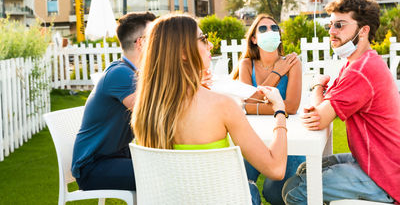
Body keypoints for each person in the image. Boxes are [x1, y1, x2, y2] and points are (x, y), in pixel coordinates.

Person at [132, 14, 288, 205]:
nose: (211, 45)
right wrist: (280, 111)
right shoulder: (222, 106)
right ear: (183, 51)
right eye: (203, 39)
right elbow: (276, 169)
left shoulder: (144, 110)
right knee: (251, 187)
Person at [282, 0, 400, 204]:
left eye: (340, 25)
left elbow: (316, 119)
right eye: (330, 25)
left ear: (363, 31)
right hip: (376, 161)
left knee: (295, 191)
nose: (332, 31)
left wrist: (317, 84)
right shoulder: (358, 63)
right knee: (305, 169)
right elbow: (323, 108)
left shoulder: (360, 71)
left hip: (384, 176)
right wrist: (320, 92)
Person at [71, 11, 156, 191]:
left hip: (116, 158)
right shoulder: (120, 73)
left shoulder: (132, 72)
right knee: (159, 174)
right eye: (156, 36)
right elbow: (151, 112)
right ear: (141, 43)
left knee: (165, 167)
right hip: (94, 167)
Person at [232, 14, 303, 204]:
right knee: (240, 183)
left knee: (274, 193)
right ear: (254, 38)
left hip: (287, 137)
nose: (270, 32)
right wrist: (277, 73)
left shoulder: (293, 63)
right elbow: (248, 97)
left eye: (274, 28)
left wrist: (251, 107)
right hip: (253, 137)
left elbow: (293, 107)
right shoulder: (246, 64)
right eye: (263, 29)